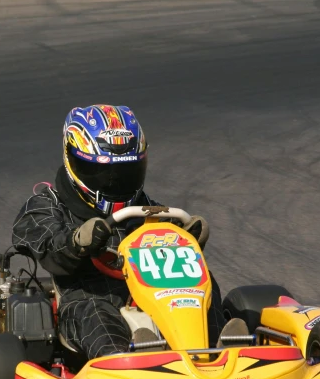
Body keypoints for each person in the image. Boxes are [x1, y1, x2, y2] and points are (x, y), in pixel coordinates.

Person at [12, 105, 231, 359]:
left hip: (154, 301)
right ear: (73, 161)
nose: (113, 182)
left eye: (125, 173)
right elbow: (46, 245)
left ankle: (214, 349)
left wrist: (187, 239)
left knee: (203, 283)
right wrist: (76, 243)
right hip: (87, 301)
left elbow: (171, 252)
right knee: (95, 311)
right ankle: (123, 361)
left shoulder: (148, 208)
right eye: (101, 172)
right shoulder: (47, 205)